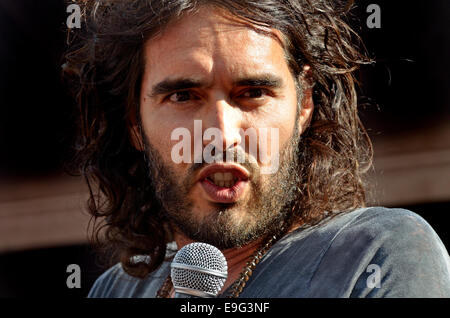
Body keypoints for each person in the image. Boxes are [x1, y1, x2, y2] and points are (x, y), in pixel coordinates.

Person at [63, 0, 450, 298]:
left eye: (253, 93)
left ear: (304, 105)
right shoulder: (120, 288)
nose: (222, 136)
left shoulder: (376, 255)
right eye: (183, 96)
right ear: (134, 122)